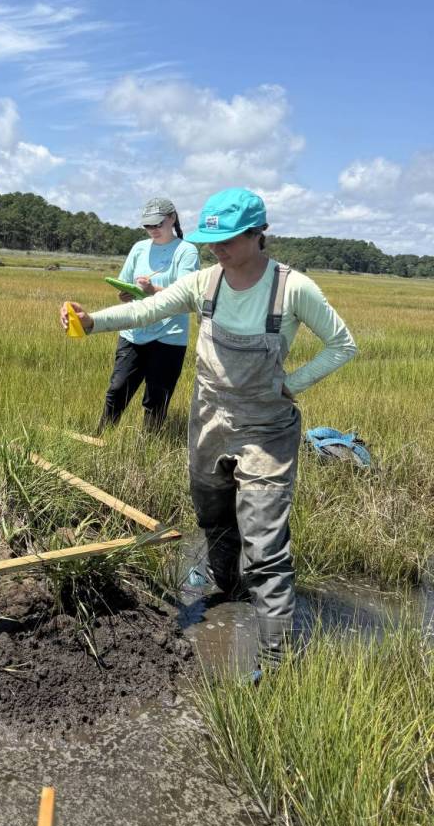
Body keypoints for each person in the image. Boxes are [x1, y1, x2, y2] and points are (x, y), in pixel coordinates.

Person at [62, 187, 357, 671]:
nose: (217, 250)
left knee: (265, 544)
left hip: (265, 429)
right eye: (211, 241)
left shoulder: (293, 288)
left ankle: (277, 661)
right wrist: (91, 320)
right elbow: (145, 310)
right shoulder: (205, 282)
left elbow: (343, 345)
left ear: (258, 234)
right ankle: (227, 585)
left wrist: (292, 383)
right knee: (213, 514)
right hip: (208, 420)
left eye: (229, 241)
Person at [97, 196, 199, 435]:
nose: (152, 230)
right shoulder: (139, 248)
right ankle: (101, 437)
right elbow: (126, 284)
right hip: (134, 331)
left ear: (172, 219)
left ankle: (147, 448)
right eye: (148, 225)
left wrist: (152, 290)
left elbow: (188, 296)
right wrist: (127, 293)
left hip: (169, 336)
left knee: (156, 399)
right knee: (117, 389)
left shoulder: (186, 251)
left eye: (157, 224)